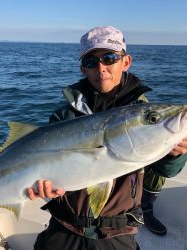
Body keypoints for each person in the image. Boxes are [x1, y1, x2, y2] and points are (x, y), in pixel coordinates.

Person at [27, 26, 187, 250]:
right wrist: (45, 187)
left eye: (109, 58)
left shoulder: (143, 113)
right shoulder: (65, 116)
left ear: (126, 62)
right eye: (92, 61)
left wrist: (175, 154)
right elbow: (48, 167)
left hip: (117, 233)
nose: (101, 68)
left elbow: (164, 170)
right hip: (64, 226)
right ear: (83, 68)